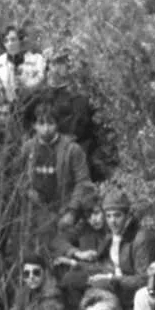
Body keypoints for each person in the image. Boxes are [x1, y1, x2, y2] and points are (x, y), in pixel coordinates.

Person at [22, 104, 94, 254]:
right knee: (37, 253)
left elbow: (83, 181)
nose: (46, 128)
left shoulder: (72, 149)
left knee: (64, 250)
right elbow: (19, 177)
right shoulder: (28, 148)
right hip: (38, 212)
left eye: (50, 123)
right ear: (34, 125)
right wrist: (27, 189)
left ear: (57, 124)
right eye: (41, 123)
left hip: (64, 210)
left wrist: (72, 211)